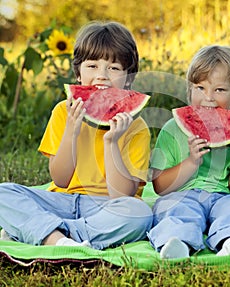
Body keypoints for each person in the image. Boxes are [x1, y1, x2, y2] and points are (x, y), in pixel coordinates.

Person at [0, 21, 153, 249]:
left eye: (113, 68)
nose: (102, 76)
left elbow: (121, 195)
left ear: (128, 78)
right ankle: (58, 236)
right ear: (78, 74)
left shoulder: (136, 126)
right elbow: (60, 179)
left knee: (140, 214)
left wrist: (112, 142)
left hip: (107, 207)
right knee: (3, 193)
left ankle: (49, 233)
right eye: (92, 65)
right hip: (61, 200)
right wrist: (71, 130)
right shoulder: (64, 111)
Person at [147, 45, 230, 259]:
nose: (208, 98)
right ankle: (177, 244)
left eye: (219, 90)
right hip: (181, 196)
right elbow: (160, 188)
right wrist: (191, 162)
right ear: (189, 89)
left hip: (226, 196)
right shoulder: (172, 129)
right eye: (200, 88)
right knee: (174, 212)